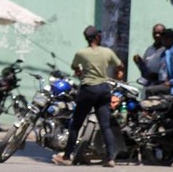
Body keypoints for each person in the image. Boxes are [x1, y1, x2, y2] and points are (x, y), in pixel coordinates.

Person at [52, 26, 124, 168]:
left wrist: (80, 73)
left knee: (76, 125)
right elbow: (120, 65)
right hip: (104, 89)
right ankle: (110, 158)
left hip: (88, 90)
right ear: (97, 37)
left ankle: (66, 156)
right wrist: (119, 74)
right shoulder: (107, 52)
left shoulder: (81, 53)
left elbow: (75, 67)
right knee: (105, 126)